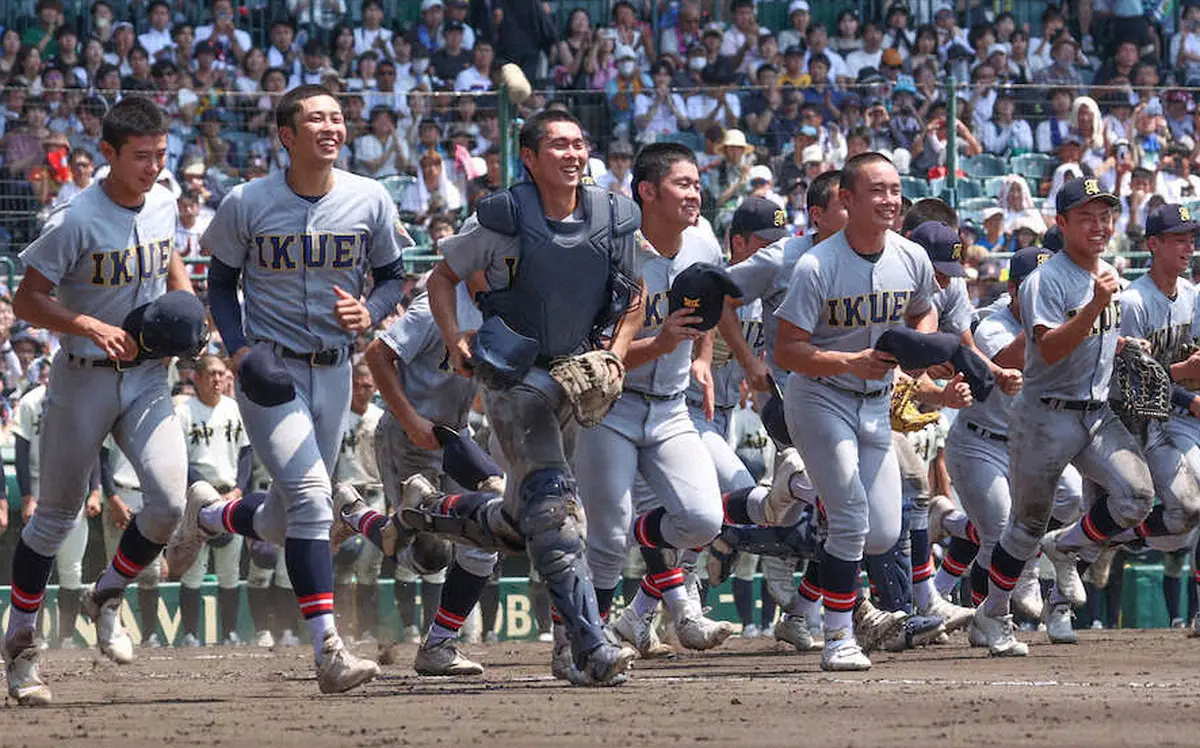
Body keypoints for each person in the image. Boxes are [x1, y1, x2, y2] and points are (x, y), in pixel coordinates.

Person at [180, 84, 411, 694]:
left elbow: (393, 276)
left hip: (335, 369)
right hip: (270, 370)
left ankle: (210, 514)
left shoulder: (371, 197)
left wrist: (372, 309)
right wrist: (239, 349)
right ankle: (328, 650)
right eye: (316, 119)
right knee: (312, 497)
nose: (331, 127)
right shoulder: (247, 201)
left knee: (286, 517)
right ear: (287, 134)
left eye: (337, 117)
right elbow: (221, 282)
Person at [404, 109, 642, 686]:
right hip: (513, 379)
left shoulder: (614, 216)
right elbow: (441, 278)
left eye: (579, 143)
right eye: (557, 145)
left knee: (521, 523)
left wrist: (616, 351)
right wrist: (456, 334)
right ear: (529, 159)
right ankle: (589, 646)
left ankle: (430, 510)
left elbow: (634, 296)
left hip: (578, 375)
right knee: (556, 512)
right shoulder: (502, 219)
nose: (572, 153)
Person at [3, 97, 194, 707]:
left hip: (146, 376)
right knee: (55, 517)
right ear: (107, 153)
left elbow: (171, 260)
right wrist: (86, 324)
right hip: (83, 374)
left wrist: (188, 311)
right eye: (141, 157)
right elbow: (28, 301)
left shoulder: (163, 201)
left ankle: (105, 593)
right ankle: (21, 647)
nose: (153, 168)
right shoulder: (74, 218)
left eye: (161, 155)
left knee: (167, 502)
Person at [773, 153, 963, 671]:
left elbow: (925, 308)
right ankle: (837, 637)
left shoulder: (911, 256)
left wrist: (917, 342)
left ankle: (804, 490)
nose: (890, 200)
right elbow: (787, 350)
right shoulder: (817, 265)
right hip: (819, 397)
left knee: (881, 532)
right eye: (877, 191)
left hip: (876, 404)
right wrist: (850, 360)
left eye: (895, 190)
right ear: (848, 200)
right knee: (853, 518)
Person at [976, 177, 1157, 657]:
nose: (1099, 226)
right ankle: (994, 612)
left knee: (1137, 497)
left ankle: (1067, 546)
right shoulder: (1045, 279)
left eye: (1105, 216)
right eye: (1086, 217)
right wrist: (1096, 304)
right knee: (1024, 527)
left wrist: (1123, 344)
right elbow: (1049, 349)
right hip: (1045, 416)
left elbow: (1094, 335)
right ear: (1062, 223)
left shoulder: (1108, 271)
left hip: (1096, 412)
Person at [575, 144, 741, 657]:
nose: (695, 193)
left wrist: (700, 357)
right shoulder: (609, 252)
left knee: (703, 520)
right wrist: (663, 344)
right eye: (682, 184)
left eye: (696, 183)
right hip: (611, 408)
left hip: (672, 407)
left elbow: (707, 305)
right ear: (647, 191)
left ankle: (643, 557)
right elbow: (594, 353)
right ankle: (590, 638)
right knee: (606, 537)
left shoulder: (703, 242)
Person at [333, 281, 498, 675]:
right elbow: (376, 355)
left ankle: (439, 643)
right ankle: (355, 513)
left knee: (486, 537)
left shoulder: (502, 303)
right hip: (409, 436)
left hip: (457, 436)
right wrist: (410, 421)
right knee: (427, 557)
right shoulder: (436, 305)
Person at [174, 355, 250, 647]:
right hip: (196, 496)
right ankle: (190, 634)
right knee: (194, 569)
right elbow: (179, 458)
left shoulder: (234, 409)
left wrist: (240, 489)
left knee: (230, 569)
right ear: (198, 378)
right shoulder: (184, 412)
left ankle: (230, 632)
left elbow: (246, 454)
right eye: (212, 374)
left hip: (230, 493)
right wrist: (204, 490)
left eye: (222, 374)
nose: (218, 379)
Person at [329, 363, 386, 646]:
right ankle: (342, 628)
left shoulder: (381, 418)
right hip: (346, 495)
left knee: (369, 566)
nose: (363, 391)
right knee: (343, 562)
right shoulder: (338, 417)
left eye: (368, 386)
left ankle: (366, 628)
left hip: (375, 493)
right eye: (358, 385)